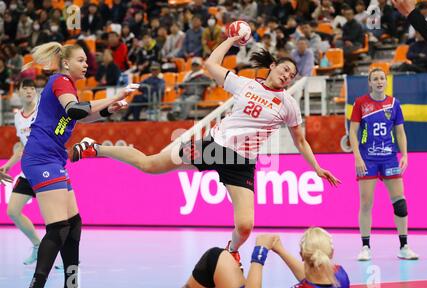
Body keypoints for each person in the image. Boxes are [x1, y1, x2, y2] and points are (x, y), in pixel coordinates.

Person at [71, 35, 341, 270]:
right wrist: (231, 41)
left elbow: (301, 141)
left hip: (241, 163)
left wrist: (316, 167)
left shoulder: (288, 104)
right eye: (284, 69)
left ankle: (232, 251)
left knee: (245, 226)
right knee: (151, 165)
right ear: (272, 66)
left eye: (291, 75)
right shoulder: (246, 84)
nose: (286, 75)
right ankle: (95, 148)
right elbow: (211, 65)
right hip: (213, 147)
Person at [20, 42, 137, 288]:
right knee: (59, 227)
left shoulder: (69, 86)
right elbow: (74, 110)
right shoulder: (60, 80)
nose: (86, 64)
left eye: (87, 61)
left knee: (73, 225)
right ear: (66, 63)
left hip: (54, 157)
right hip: (40, 158)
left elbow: (81, 117)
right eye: (81, 60)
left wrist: (108, 110)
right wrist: (114, 97)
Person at [142, 228, 350, 288]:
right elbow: (310, 277)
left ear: (302, 255)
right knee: (218, 259)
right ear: (328, 255)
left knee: (215, 257)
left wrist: (260, 252)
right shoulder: (340, 277)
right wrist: (280, 249)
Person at [349, 68, 419, 261]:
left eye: (382, 78)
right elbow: (352, 132)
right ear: (370, 83)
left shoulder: (394, 103)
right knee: (366, 203)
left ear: (386, 82)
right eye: (375, 79)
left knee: (400, 203)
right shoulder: (361, 103)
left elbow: (400, 132)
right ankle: (365, 247)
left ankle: (404, 246)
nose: (379, 81)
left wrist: (404, 154)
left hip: (389, 158)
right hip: (368, 158)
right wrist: (357, 157)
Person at [0, 79, 41, 265]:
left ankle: (64, 256)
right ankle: (38, 246)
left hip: (45, 170)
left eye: (32, 88)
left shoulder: (42, 112)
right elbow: (23, 147)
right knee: (13, 211)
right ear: (19, 92)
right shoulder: (18, 117)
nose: (29, 92)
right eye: (25, 89)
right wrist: (8, 164)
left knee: (55, 218)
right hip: (28, 172)